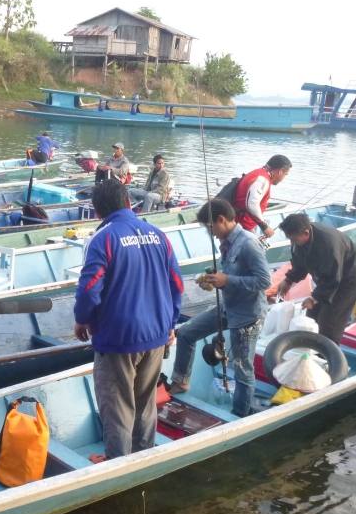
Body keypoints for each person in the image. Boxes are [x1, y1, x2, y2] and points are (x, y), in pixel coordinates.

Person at [74, 179, 184, 461]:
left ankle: (117, 462)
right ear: (128, 202)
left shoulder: (103, 239)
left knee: (117, 405)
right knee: (145, 401)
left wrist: (82, 319)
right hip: (157, 334)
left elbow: (89, 290)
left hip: (119, 337)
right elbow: (177, 284)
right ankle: (142, 457)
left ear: (98, 211)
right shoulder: (158, 234)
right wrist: (170, 323)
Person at [170, 199, 271, 416]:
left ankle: (239, 415)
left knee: (242, 369)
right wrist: (212, 278)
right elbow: (230, 272)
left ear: (221, 220)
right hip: (228, 308)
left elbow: (264, 282)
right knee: (186, 333)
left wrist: (228, 281)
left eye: (210, 228)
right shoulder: (227, 241)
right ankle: (181, 381)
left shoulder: (248, 243)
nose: (211, 233)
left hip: (247, 316)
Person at [276, 213, 356, 344]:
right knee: (311, 315)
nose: (292, 242)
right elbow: (300, 263)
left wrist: (314, 298)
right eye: (290, 239)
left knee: (330, 321)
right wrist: (288, 280)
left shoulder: (328, 244)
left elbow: (333, 278)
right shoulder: (299, 241)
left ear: (306, 233)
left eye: (294, 239)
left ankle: (327, 356)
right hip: (327, 277)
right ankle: (310, 349)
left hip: (348, 277)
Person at [231, 155, 292, 238]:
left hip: (240, 225)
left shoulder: (258, 173)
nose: (283, 178)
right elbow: (252, 204)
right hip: (242, 227)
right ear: (280, 171)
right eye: (285, 174)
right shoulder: (262, 180)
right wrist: (264, 227)